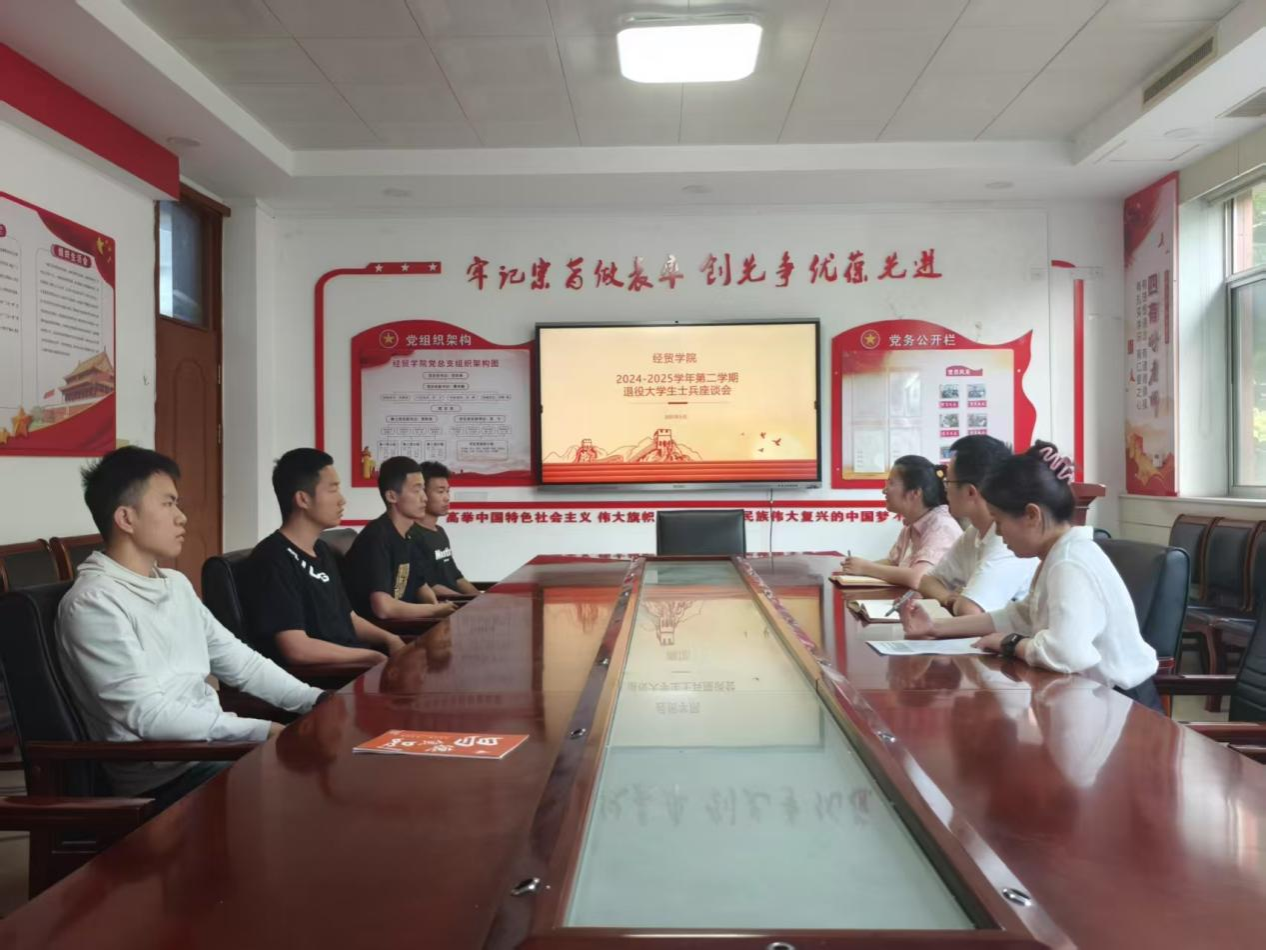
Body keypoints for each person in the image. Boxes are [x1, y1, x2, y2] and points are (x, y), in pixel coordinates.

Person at [56, 447, 325, 810]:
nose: (181, 517)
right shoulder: (94, 603)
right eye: (168, 504)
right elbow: (148, 716)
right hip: (164, 778)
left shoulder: (174, 584)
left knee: (329, 767)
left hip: (210, 750)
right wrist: (261, 730)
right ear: (126, 518)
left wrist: (315, 700)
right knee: (309, 789)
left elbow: (241, 662)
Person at [899, 441, 1161, 709]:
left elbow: (1065, 653)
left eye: (999, 522)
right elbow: (1020, 616)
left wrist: (1010, 643)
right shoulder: (1058, 555)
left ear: (1032, 515)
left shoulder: (1069, 563)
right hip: (1089, 697)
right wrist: (936, 628)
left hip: (1123, 705)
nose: (998, 533)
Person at [241, 448, 406, 668]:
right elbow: (297, 648)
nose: (342, 500)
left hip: (353, 664)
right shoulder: (273, 559)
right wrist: (371, 657)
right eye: (333, 489)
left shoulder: (321, 550)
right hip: (328, 678)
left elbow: (349, 618)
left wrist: (390, 639)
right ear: (303, 499)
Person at [919, 435, 1038, 615]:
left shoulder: (1008, 540)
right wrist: (949, 598)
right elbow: (927, 582)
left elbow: (970, 610)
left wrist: (962, 601)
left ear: (970, 492)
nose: (945, 490)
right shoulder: (975, 531)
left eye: (948, 482)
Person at [343, 456, 458, 623]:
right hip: (385, 629)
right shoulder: (376, 537)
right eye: (417, 490)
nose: (424, 498)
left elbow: (421, 586)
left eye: (424, 489)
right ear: (392, 496)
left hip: (409, 623)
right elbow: (383, 608)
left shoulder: (409, 534)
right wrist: (434, 610)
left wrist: (437, 613)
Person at [839, 454, 962, 588]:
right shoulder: (912, 525)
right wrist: (856, 567)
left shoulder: (942, 527)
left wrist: (865, 568)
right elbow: (892, 563)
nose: (884, 490)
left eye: (891, 483)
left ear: (915, 493)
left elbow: (919, 578)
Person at [411, 460, 479, 598]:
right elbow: (429, 586)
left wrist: (479, 598)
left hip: (457, 602)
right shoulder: (412, 535)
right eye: (440, 492)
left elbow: (456, 577)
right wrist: (464, 603)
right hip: (441, 605)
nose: (447, 498)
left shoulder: (440, 531)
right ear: (421, 494)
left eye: (448, 491)